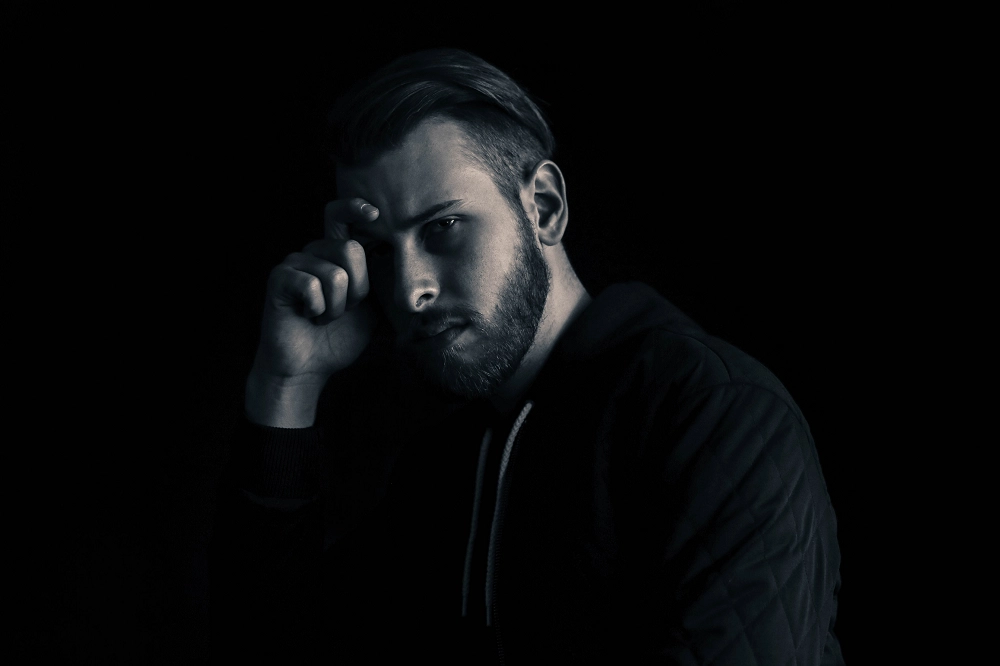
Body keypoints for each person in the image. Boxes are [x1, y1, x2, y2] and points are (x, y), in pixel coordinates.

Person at [210, 48, 843, 664]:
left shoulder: (713, 416)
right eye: (378, 248)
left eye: (443, 227)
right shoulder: (442, 470)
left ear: (543, 206)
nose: (409, 289)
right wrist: (285, 387)